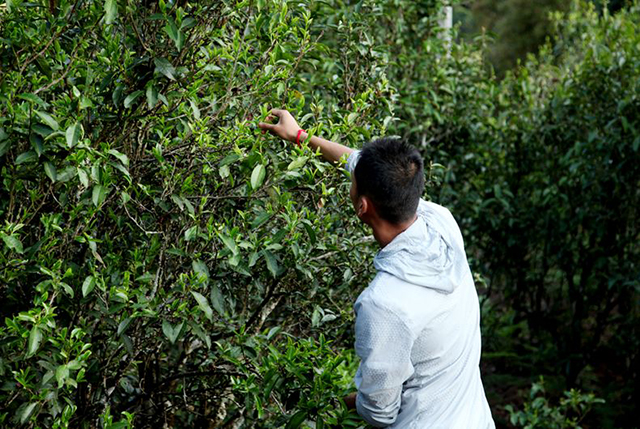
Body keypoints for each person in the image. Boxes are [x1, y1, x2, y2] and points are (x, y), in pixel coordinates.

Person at [259, 109, 495, 428]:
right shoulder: (442, 223)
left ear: (362, 206)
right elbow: (362, 165)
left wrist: (335, 403)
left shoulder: (384, 304)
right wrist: (301, 137)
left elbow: (380, 412)